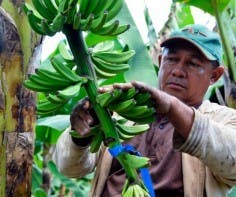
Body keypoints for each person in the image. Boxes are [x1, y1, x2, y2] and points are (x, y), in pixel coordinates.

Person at [52, 24, 236, 196]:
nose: (178, 71)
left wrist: (173, 107)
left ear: (214, 76)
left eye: (193, 64)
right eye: (172, 59)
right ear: (160, 61)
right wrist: (80, 135)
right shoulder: (122, 114)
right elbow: (68, 168)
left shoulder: (223, 120)